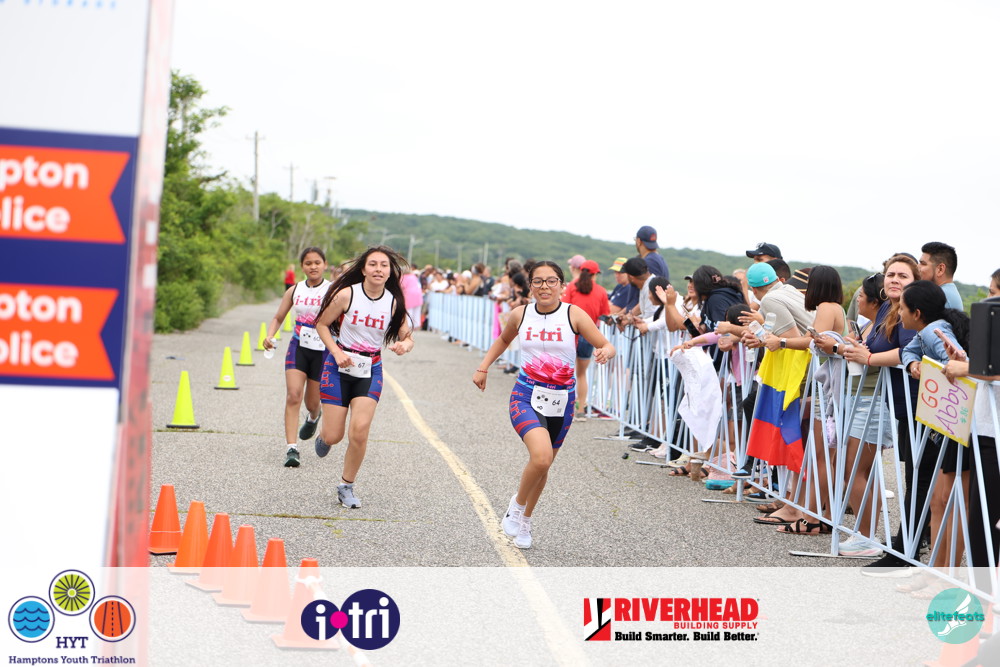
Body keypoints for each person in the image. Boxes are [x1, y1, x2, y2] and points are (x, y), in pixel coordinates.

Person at [472, 261, 615, 549]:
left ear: (562, 286)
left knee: (544, 465)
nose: (544, 287)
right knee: (540, 457)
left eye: (551, 281)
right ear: (530, 286)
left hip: (563, 401)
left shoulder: (574, 315)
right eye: (538, 281)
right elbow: (502, 340)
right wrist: (483, 367)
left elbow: (605, 344)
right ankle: (516, 505)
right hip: (526, 395)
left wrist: (605, 352)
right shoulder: (520, 314)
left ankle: (525, 521)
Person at [312, 246, 415, 508]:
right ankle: (324, 436)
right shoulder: (347, 294)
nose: (378, 269)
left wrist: (405, 345)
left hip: (370, 370)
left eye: (384, 265)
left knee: (359, 431)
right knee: (334, 436)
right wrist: (336, 352)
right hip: (338, 367)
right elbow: (321, 324)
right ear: (363, 270)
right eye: (373, 264)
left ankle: (346, 485)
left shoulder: (393, 302)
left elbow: (407, 336)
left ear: (390, 272)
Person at [263, 247, 331, 468]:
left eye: (317, 262)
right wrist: (269, 335)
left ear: (325, 265)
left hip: (322, 351)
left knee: (312, 403)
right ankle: (291, 448)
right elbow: (278, 317)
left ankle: (314, 416)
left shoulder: (334, 290)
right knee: (293, 395)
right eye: (308, 263)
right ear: (302, 266)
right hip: (298, 347)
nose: (313, 267)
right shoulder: (295, 290)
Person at [561, 259, 610, 420]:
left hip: (570, 334)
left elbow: (563, 308)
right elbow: (605, 314)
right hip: (588, 336)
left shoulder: (571, 287)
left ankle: (562, 407)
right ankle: (581, 409)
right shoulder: (601, 291)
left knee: (564, 372)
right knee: (581, 374)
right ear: (595, 274)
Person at [917, 242, 963, 311]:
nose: (917, 267)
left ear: (940, 269)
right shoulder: (947, 294)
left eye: (923, 264)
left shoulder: (940, 298)